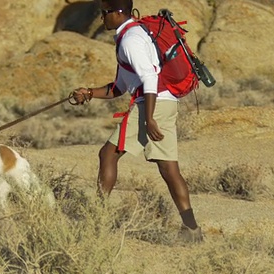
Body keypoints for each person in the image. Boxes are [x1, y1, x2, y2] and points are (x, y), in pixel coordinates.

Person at [71, 0, 203, 242]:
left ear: (119, 13)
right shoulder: (131, 36)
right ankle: (192, 229)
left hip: (151, 105)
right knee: (168, 168)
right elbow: (119, 88)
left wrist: (150, 117)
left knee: (108, 154)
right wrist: (89, 93)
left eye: (105, 13)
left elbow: (149, 78)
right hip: (164, 102)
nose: (102, 18)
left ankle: (96, 221)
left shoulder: (131, 39)